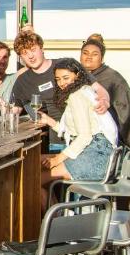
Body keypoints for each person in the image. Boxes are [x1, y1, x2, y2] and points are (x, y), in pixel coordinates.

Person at [36, 58, 120, 188]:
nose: (61, 83)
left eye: (66, 78)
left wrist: (56, 160)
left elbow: (84, 136)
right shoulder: (83, 91)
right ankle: (55, 208)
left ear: (78, 75)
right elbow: (76, 132)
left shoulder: (77, 96)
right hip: (100, 153)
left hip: (94, 156)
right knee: (36, 162)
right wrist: (49, 121)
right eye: (58, 79)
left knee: (36, 179)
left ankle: (54, 208)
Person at [80, 34, 130, 150]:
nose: (89, 57)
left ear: (102, 57)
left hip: (105, 143)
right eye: (85, 53)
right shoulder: (79, 76)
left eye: (94, 54)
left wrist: (119, 142)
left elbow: (126, 111)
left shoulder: (112, 78)